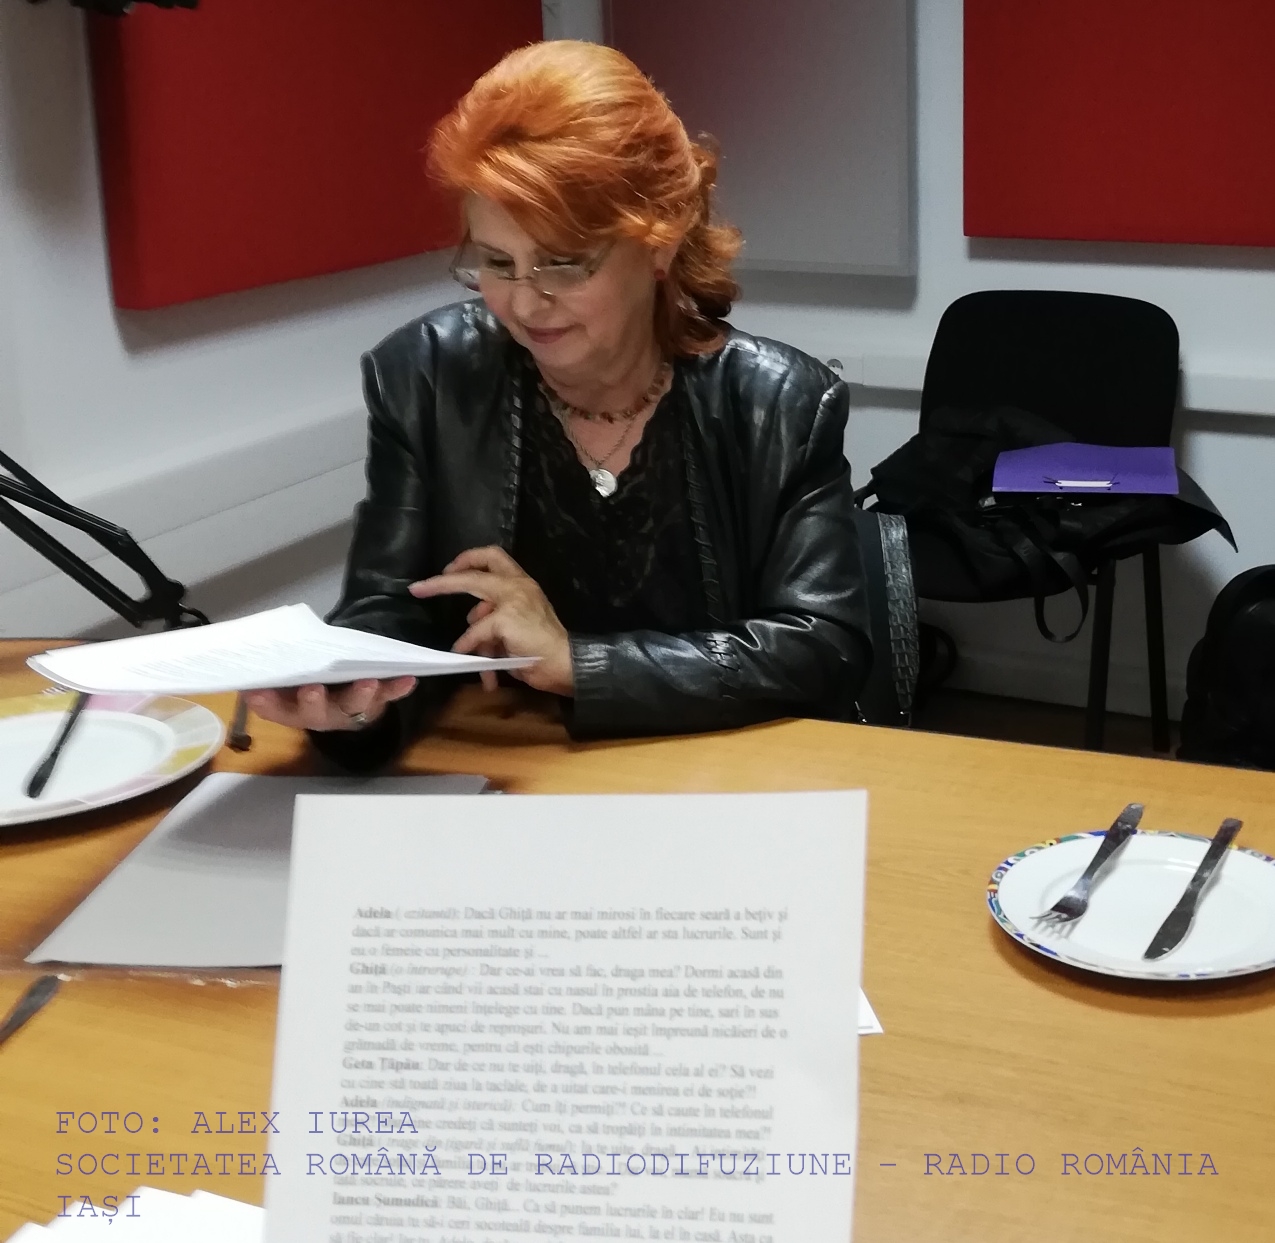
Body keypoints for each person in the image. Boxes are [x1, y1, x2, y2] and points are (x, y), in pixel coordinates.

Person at [245, 40, 870, 768]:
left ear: (659, 241)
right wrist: (352, 695)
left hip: (724, 768)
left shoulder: (780, 402)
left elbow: (822, 647)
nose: (525, 301)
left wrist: (578, 662)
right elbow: (394, 607)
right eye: (496, 262)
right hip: (516, 764)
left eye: (564, 262)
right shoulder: (427, 375)